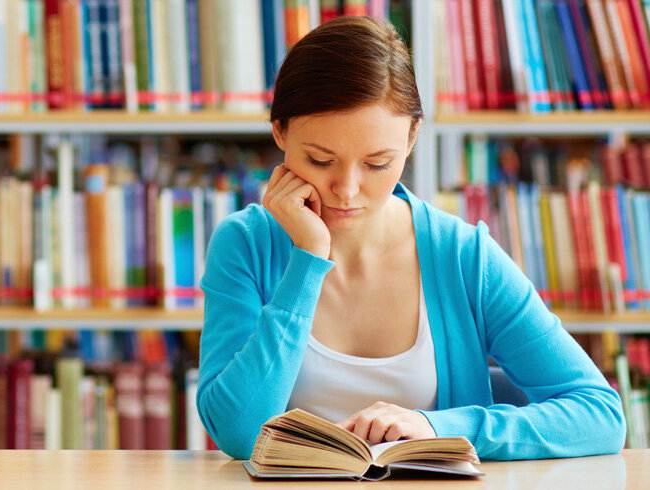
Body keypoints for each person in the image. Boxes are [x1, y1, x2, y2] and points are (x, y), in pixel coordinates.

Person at [195, 16, 624, 461]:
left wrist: (437, 427)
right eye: (321, 160)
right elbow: (238, 432)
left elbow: (600, 415)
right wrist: (307, 261)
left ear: (413, 138)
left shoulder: (462, 256)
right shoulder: (244, 244)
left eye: (377, 163)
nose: (347, 188)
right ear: (280, 131)